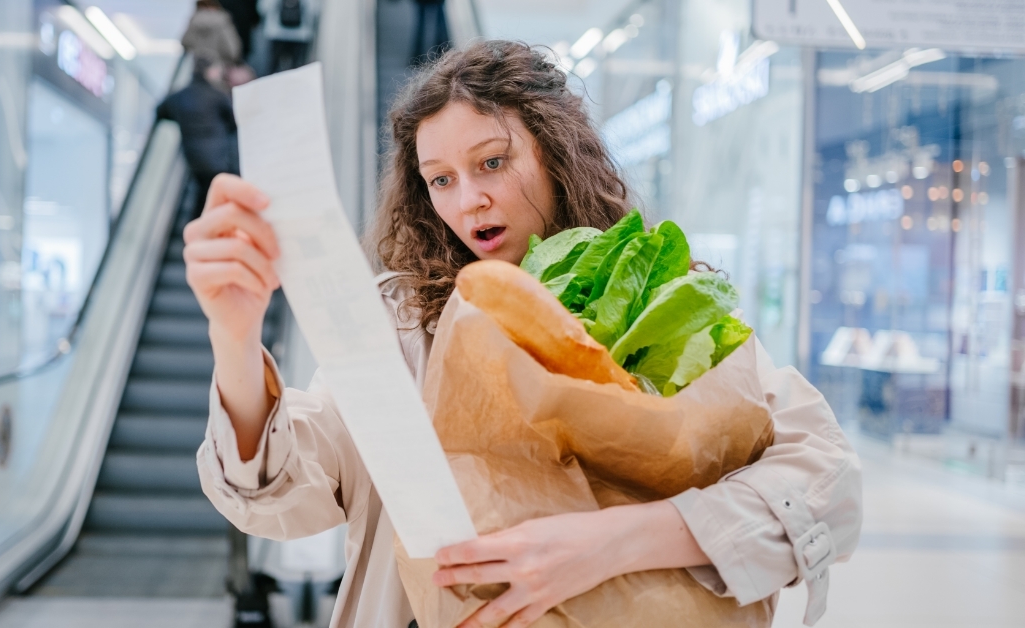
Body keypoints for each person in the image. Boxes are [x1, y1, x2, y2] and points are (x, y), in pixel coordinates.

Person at [188, 41, 862, 627]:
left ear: (556, 152)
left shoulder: (662, 301)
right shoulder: (399, 326)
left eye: (491, 163)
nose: (467, 201)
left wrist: (617, 540)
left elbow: (825, 483)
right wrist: (235, 338)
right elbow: (282, 493)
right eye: (441, 180)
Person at [157, 55, 240, 220]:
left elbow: (160, 112)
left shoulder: (179, 96)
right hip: (217, 156)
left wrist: (183, 119)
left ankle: (196, 229)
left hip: (193, 158)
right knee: (219, 191)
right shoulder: (217, 95)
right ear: (209, 72)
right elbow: (234, 123)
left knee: (203, 192)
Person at [182, 0, 246, 90]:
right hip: (219, 69)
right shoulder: (222, 20)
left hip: (197, 67)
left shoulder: (194, 20)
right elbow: (232, 50)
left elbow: (185, 42)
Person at [259, 0, 318, 73]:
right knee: (298, 71)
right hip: (301, 35)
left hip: (276, 33)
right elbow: (314, 10)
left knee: (273, 71)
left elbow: (263, 8)